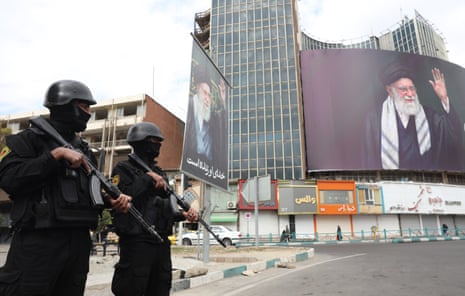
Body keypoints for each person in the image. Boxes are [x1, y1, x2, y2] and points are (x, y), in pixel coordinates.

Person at [0, 80, 131, 295]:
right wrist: (55, 156)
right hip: (39, 240)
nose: (88, 113)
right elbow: (10, 180)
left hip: (78, 242)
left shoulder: (85, 151)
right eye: (84, 107)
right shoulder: (25, 140)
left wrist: (111, 201)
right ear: (64, 105)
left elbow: (90, 194)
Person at [111, 122, 198, 296]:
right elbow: (119, 197)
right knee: (132, 288)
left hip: (160, 242)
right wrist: (146, 179)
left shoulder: (161, 173)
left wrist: (184, 215)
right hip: (137, 243)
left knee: (161, 288)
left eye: (159, 141)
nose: (157, 145)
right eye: (153, 140)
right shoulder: (123, 168)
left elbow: (166, 209)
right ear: (139, 141)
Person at [362, 62, 463, 171]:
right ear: (390, 91)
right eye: (403, 89)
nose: (410, 94)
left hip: (426, 182)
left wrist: (444, 98)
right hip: (392, 184)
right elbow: (369, 159)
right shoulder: (375, 120)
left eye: (412, 88)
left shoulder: (428, 115)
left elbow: (453, 132)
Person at [183, 64, 227, 169]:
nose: (207, 99)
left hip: (207, 168)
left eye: (209, 95)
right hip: (191, 165)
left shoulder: (210, 117)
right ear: (197, 89)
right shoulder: (188, 106)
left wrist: (223, 101)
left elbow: (223, 122)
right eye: (205, 93)